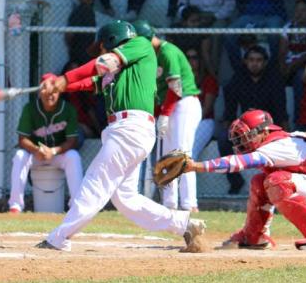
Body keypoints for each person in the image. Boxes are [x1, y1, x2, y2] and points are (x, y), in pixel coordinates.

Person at [34, 20, 205, 251]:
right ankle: (184, 224)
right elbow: (91, 82)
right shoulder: (120, 72)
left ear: (115, 40)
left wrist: (63, 79)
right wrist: (59, 85)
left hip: (129, 129)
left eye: (103, 46)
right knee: (125, 198)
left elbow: (103, 63)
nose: (103, 52)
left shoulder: (140, 45)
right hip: (127, 131)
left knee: (95, 181)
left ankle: (59, 237)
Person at [181, 109, 306, 251]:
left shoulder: (278, 145)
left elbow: (237, 163)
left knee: (277, 181)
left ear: (264, 132)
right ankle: (254, 237)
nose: (242, 142)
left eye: (247, 136)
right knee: (259, 181)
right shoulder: (284, 139)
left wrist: (196, 166)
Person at [133, 20, 201, 212]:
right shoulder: (151, 55)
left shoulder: (167, 51)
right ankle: (169, 204)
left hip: (184, 104)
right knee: (167, 156)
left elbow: (176, 88)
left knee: (182, 153)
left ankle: (189, 204)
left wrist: (164, 113)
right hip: (170, 106)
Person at [8, 73, 84, 213]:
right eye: (47, 91)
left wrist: (53, 151)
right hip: (37, 155)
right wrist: (37, 150)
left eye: (54, 91)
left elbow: (72, 141)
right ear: (40, 92)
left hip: (57, 154)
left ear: (60, 92)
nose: (50, 95)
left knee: (73, 156)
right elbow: (22, 139)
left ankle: (76, 206)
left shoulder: (68, 109)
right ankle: (15, 205)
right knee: (19, 155)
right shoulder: (30, 108)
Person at [219, 45, 288, 194]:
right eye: (251, 60)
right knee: (223, 139)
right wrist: (229, 127)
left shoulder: (274, 80)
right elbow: (230, 109)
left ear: (265, 62)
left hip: (269, 129)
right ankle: (236, 182)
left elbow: (281, 112)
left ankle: (277, 185)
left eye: (258, 60)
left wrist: (284, 133)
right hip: (245, 128)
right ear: (245, 61)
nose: (254, 63)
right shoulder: (238, 79)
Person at [188, 49, 218, 190]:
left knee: (190, 154)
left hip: (205, 121)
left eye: (194, 57)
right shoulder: (182, 80)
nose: (190, 61)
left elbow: (207, 108)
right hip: (185, 123)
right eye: (187, 58)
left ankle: (188, 195)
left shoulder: (208, 80)